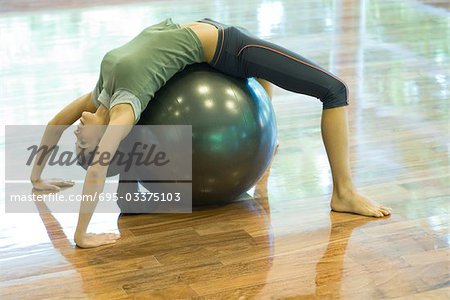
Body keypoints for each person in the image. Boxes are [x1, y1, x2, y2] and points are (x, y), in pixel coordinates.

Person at [30, 18, 391, 248]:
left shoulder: (102, 95)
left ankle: (266, 137)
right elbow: (97, 170)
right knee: (334, 90)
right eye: (83, 144)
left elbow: (53, 124)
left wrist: (37, 177)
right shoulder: (124, 111)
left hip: (207, 37)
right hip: (227, 46)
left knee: (268, 73)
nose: (77, 132)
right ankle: (343, 193)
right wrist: (81, 235)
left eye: (77, 141)